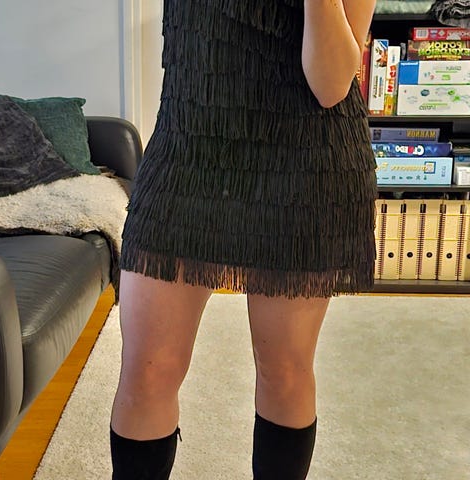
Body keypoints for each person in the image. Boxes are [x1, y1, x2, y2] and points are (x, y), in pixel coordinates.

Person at [110, 0, 377, 478]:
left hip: (301, 163)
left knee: (283, 370)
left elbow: (332, 85)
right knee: (146, 372)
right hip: (187, 152)